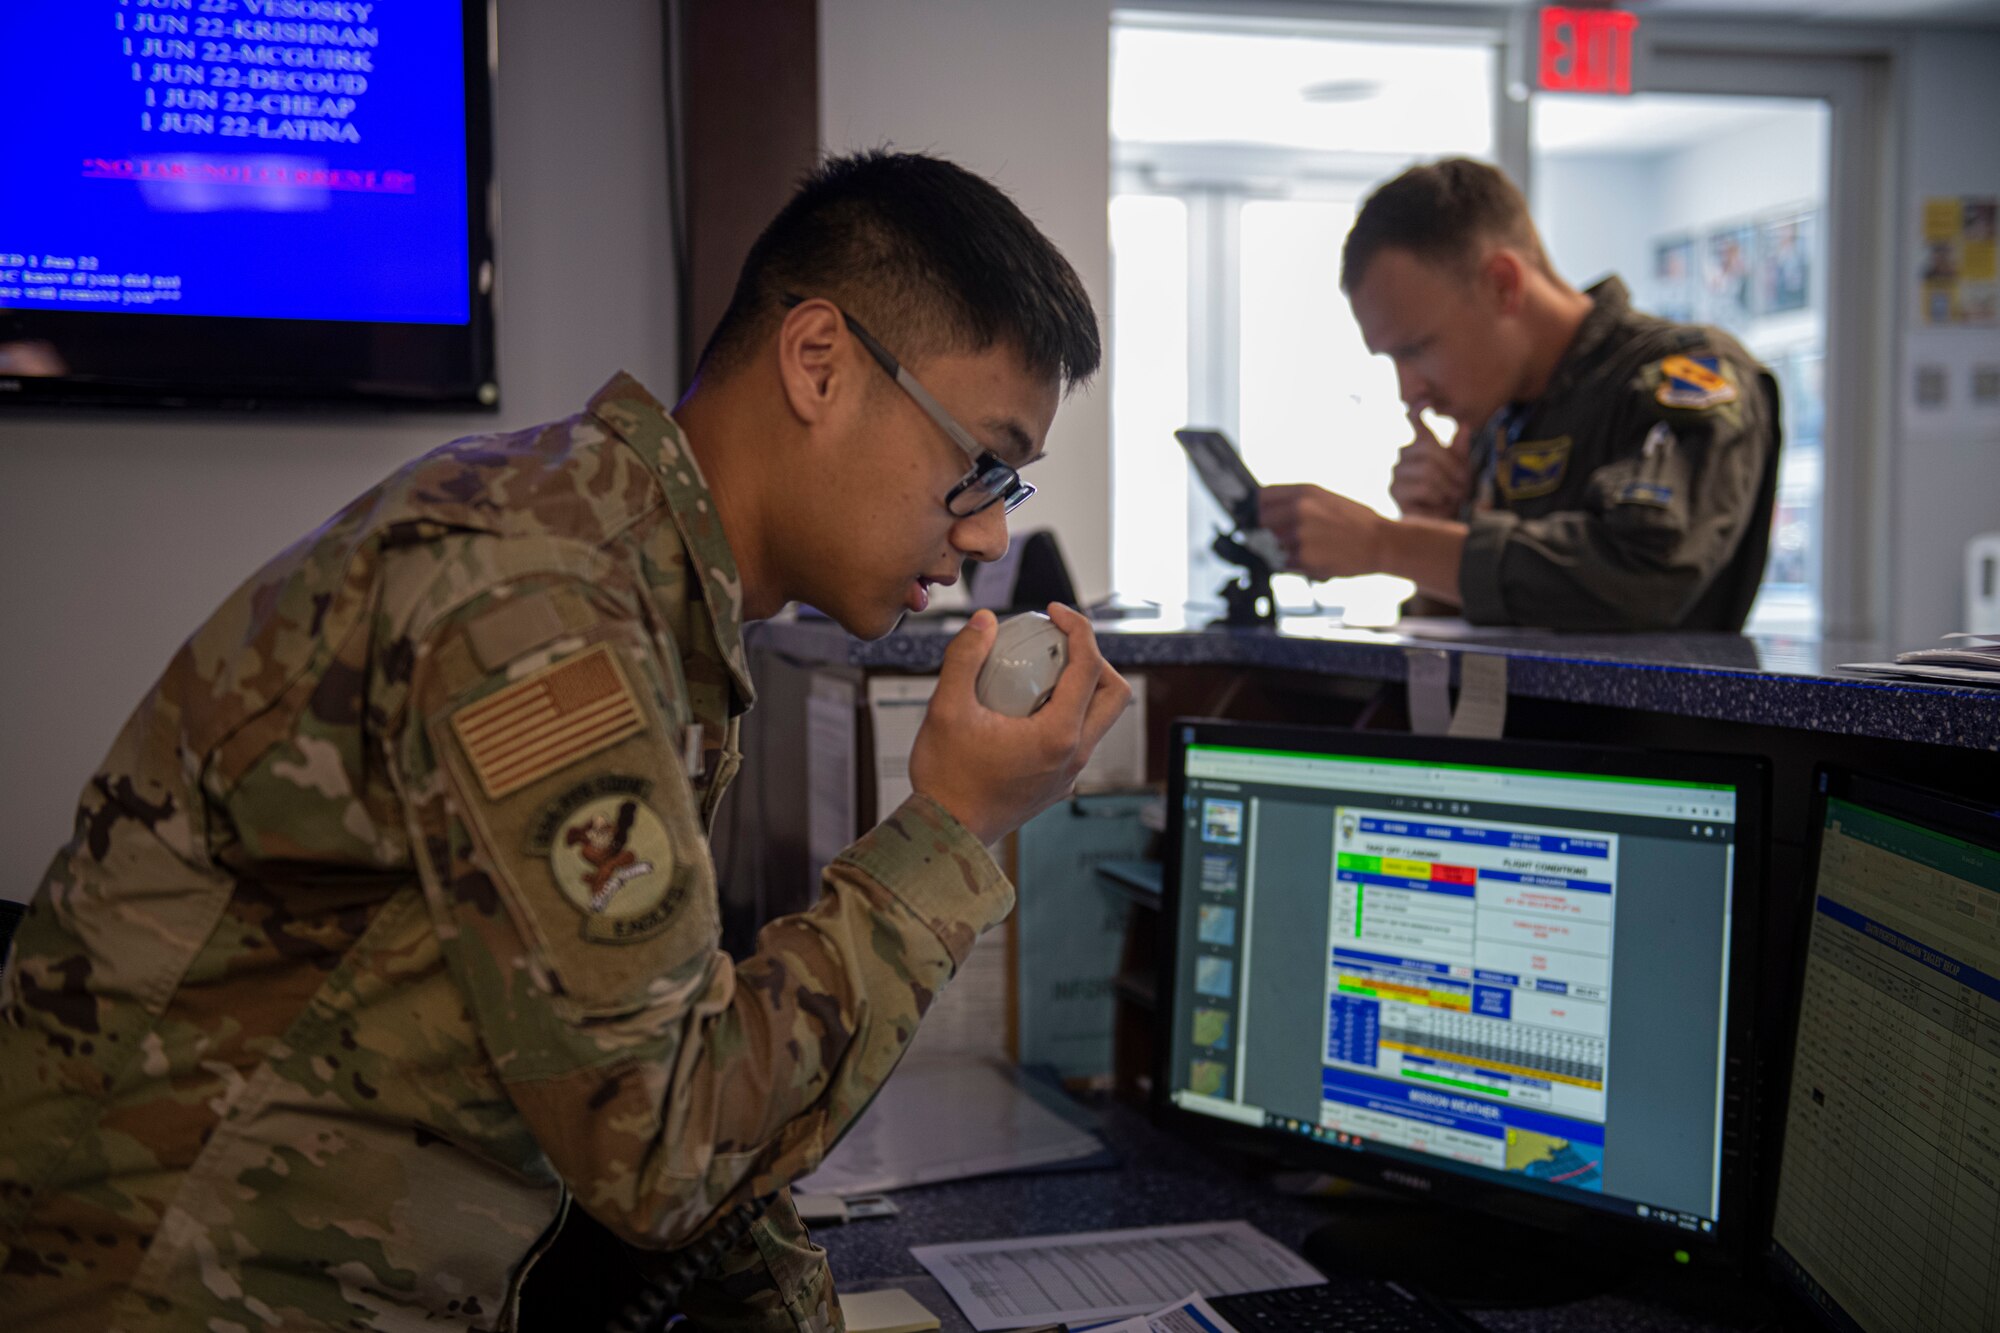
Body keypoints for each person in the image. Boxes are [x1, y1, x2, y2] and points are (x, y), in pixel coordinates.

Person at [0, 150, 1131, 1332]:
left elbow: (652, 1044)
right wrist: (952, 827)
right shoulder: (538, 598)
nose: (995, 534)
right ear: (817, 364)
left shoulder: (622, 561)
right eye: (983, 462)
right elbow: (666, 1148)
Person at [1260, 158, 1781, 632]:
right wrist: (1435, 528)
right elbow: (1470, 634)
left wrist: (1388, 544)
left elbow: (1642, 575)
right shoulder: (1499, 419)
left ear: (1503, 284)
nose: (1409, 392)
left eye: (1418, 350)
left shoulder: (1683, 373)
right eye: (1392, 360)